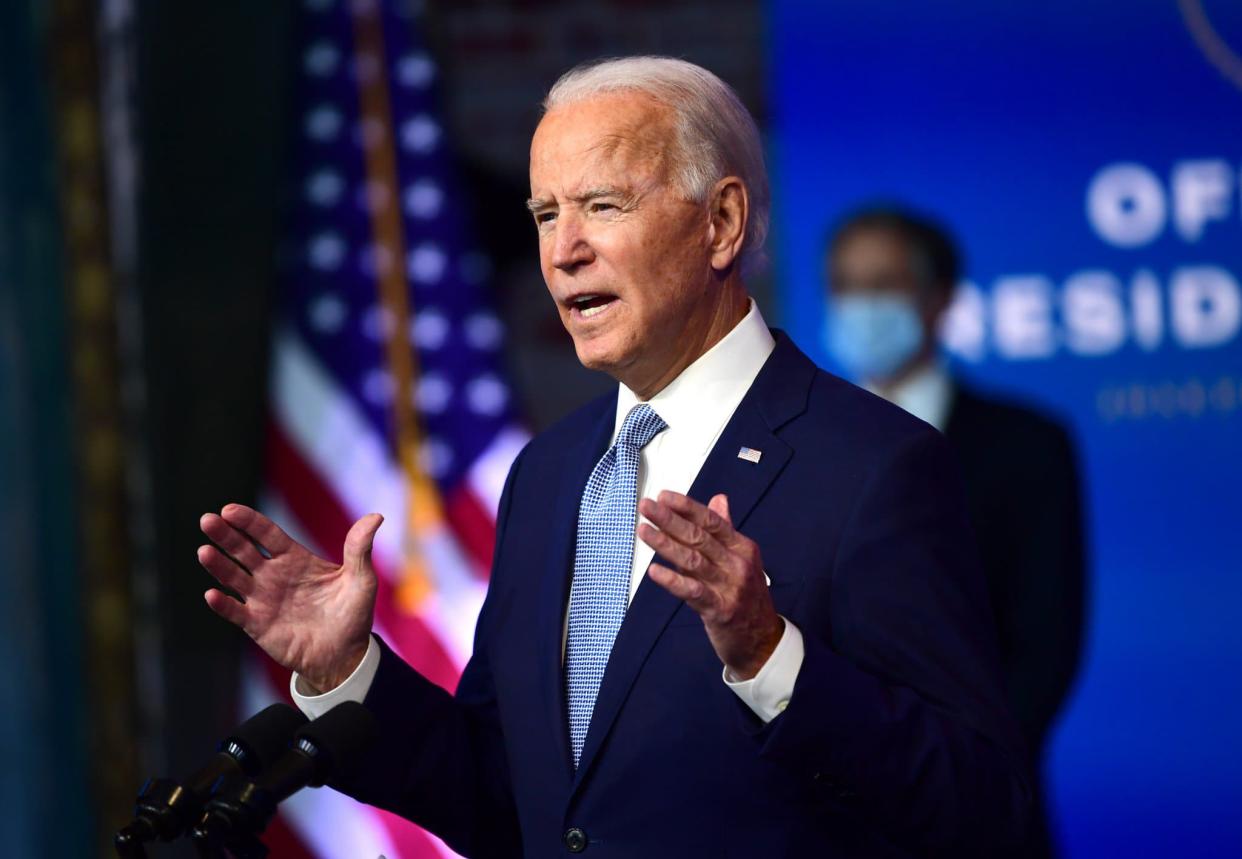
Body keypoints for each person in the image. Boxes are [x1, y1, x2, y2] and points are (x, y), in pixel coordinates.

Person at [197, 58, 1029, 857]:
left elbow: (977, 803)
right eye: (545, 215)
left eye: (602, 205)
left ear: (722, 223)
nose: (563, 251)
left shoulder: (874, 465)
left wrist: (772, 655)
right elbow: (510, 801)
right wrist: (349, 670)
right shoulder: (548, 473)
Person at [823, 207, 1087, 857]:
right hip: (830, 815)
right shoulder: (803, 443)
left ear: (939, 300)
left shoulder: (1027, 445)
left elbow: (1046, 645)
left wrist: (955, 776)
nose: (860, 305)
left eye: (882, 285)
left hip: (982, 808)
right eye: (845, 285)